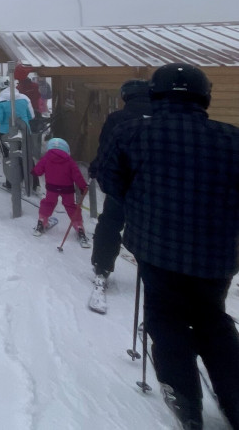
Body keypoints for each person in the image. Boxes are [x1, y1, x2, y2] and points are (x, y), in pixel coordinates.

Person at [95, 63, 239, 429]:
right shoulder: (232, 137)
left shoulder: (132, 133)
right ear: (204, 97)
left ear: (155, 95)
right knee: (214, 321)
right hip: (218, 255)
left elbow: (110, 181)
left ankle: (186, 402)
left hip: (158, 248)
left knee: (166, 318)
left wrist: (144, 198)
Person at [87, 79, 151, 313]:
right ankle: (156, 272)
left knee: (110, 224)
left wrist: (97, 167)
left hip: (122, 186)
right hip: (154, 190)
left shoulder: (117, 119)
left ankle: (102, 265)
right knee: (151, 229)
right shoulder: (165, 119)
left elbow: (106, 150)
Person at [31, 138, 89, 245]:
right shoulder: (69, 160)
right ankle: (79, 227)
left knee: (48, 203)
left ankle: (41, 222)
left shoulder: (47, 158)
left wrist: (34, 171)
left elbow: (38, 170)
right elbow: (77, 175)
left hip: (51, 187)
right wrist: (83, 186)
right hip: (67, 189)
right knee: (70, 206)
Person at [0, 76, 34, 188]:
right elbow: (31, 116)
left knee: (9, 157)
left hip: (6, 132)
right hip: (24, 131)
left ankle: (11, 182)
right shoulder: (24, 98)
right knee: (26, 156)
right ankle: (33, 183)